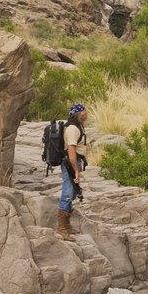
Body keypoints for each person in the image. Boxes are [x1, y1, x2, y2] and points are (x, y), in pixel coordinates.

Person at [57, 102, 88, 241]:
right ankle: (61, 228)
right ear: (79, 113)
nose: (87, 113)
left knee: (73, 191)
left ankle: (67, 225)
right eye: (85, 111)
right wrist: (76, 170)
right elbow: (71, 150)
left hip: (74, 162)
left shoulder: (77, 126)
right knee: (68, 192)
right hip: (70, 164)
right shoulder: (72, 129)